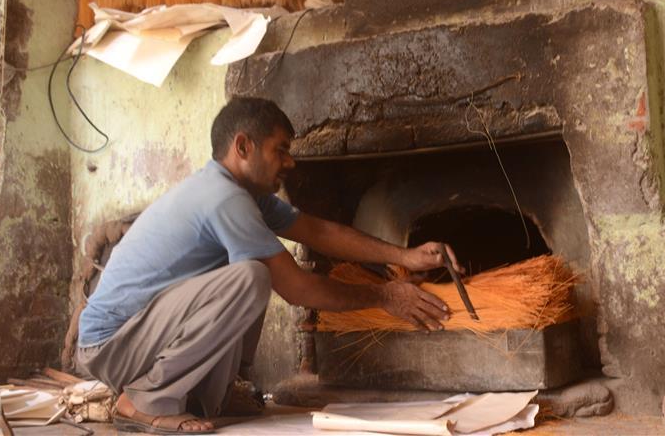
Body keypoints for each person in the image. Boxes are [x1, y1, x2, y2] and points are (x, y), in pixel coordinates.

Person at [77, 97, 459, 435]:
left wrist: (405, 256)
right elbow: (296, 289)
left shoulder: (246, 195)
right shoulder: (224, 199)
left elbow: (318, 230)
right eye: (281, 150)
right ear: (243, 146)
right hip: (110, 343)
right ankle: (141, 401)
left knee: (252, 265)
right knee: (253, 275)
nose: (290, 162)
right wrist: (385, 295)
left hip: (141, 332)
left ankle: (221, 393)